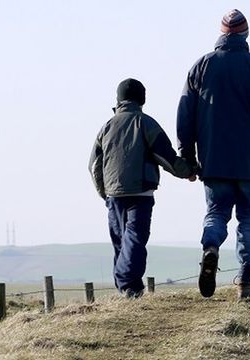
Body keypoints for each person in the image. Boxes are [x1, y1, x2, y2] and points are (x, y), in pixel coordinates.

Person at [177, 9, 250, 299]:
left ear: (222, 34)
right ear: (245, 34)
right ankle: (246, 280)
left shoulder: (201, 67)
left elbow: (185, 116)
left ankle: (210, 247)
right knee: (248, 219)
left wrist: (188, 157)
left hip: (214, 160)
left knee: (216, 213)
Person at [90, 78, 197, 298]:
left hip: (113, 195)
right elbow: (166, 158)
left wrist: (105, 192)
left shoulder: (106, 127)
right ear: (142, 99)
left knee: (121, 242)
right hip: (141, 193)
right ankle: (130, 287)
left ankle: (127, 289)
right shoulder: (146, 123)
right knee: (135, 240)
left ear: (118, 99)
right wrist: (188, 171)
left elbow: (93, 165)